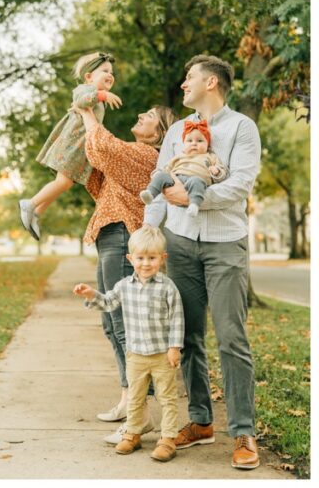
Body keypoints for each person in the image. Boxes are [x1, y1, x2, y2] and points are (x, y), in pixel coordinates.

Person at [145, 55, 263, 470]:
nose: (183, 84)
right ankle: (199, 422)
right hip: (179, 243)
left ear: (210, 82)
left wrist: (196, 199)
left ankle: (244, 431)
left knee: (232, 338)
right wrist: (149, 233)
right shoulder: (176, 130)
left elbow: (240, 184)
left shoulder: (242, 128)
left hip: (225, 243)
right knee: (188, 337)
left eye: (189, 77)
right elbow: (160, 185)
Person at [74, 101, 176, 440]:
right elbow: (97, 160)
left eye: (147, 116)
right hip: (110, 237)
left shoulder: (149, 157)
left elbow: (102, 146)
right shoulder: (134, 154)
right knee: (110, 322)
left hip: (122, 235)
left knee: (122, 326)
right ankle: (126, 399)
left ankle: (138, 414)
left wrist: (87, 110)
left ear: (159, 133)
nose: (138, 116)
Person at [74, 225, 183, 463]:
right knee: (135, 396)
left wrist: (174, 347)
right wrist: (92, 294)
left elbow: (177, 319)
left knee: (167, 398)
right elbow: (108, 302)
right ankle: (133, 433)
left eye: (152, 258)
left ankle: (167, 438)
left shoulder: (168, 288)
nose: (145, 264)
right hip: (135, 355)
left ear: (162, 258)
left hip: (162, 355)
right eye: (140, 258)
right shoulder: (124, 286)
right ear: (130, 258)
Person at [18, 52, 122, 240]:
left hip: (79, 150)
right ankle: (30, 204)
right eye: (105, 71)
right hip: (71, 146)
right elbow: (81, 101)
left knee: (64, 184)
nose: (110, 75)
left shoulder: (97, 100)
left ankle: (37, 213)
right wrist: (102, 94)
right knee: (63, 182)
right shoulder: (85, 90)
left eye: (111, 72)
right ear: (89, 77)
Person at [140, 120, 227, 219]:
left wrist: (217, 171)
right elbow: (166, 168)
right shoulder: (180, 156)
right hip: (176, 179)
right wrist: (158, 174)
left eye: (200, 141)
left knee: (197, 183)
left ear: (208, 144)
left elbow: (222, 171)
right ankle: (150, 194)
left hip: (195, 179)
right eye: (189, 141)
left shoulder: (210, 156)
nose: (194, 144)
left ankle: (194, 204)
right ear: (184, 143)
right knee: (161, 176)